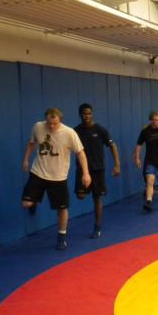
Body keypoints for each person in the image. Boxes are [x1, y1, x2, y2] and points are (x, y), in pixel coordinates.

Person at [21, 108, 91, 251]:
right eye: (49, 123)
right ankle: (34, 201)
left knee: (62, 208)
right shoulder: (38, 127)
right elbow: (31, 143)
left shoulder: (69, 133)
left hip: (58, 177)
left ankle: (62, 236)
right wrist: (26, 159)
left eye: (55, 123)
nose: (51, 126)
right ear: (45, 120)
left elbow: (80, 153)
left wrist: (86, 173)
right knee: (26, 203)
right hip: (38, 172)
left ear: (60, 121)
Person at [74, 103, 121, 238]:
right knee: (80, 195)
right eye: (84, 114)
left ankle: (97, 226)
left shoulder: (100, 130)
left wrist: (117, 165)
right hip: (82, 169)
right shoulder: (75, 131)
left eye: (89, 113)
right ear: (80, 115)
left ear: (92, 114)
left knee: (97, 198)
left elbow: (112, 146)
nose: (87, 116)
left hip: (98, 169)